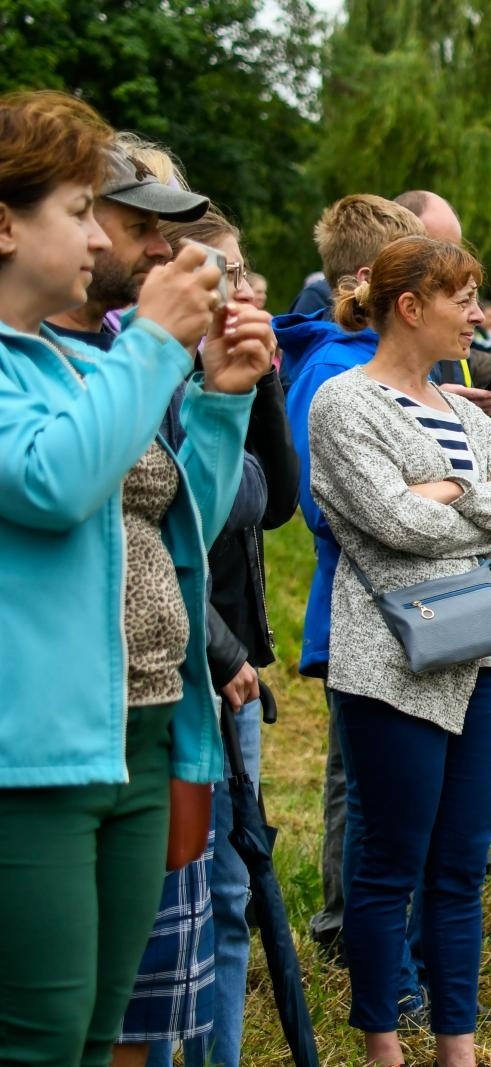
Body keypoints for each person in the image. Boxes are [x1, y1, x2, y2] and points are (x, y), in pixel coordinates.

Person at [0, 90, 269, 1067]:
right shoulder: (53, 362)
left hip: (143, 728)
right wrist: (157, 343)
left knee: (107, 1030)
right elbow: (54, 484)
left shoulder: (76, 361)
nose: (157, 249)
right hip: (37, 752)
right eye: (88, 212)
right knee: (43, 1036)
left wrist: (222, 404)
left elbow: (167, 524)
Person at [308, 236, 491, 1067]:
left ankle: (459, 1048)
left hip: (482, 656)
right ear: (411, 306)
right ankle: (383, 1044)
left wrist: (452, 490)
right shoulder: (344, 403)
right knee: (388, 862)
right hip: (394, 665)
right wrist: (478, 506)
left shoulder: (460, 406)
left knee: (459, 867)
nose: (477, 315)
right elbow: (392, 523)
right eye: (465, 298)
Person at [146, 208, 299, 1067]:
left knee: (232, 890)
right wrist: (224, 652)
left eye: (245, 273)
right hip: (183, 667)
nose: (240, 289)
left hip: (226, 663)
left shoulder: (215, 378)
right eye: (225, 271)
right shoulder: (149, 379)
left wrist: (256, 378)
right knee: (172, 903)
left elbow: (271, 499)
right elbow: (168, 537)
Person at [275, 193, 427, 963]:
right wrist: (430, 489)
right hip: (362, 607)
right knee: (361, 782)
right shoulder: (335, 370)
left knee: (376, 777)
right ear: (373, 277)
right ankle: (347, 927)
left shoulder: (382, 364)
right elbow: (322, 502)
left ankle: (369, 920)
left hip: (407, 606)